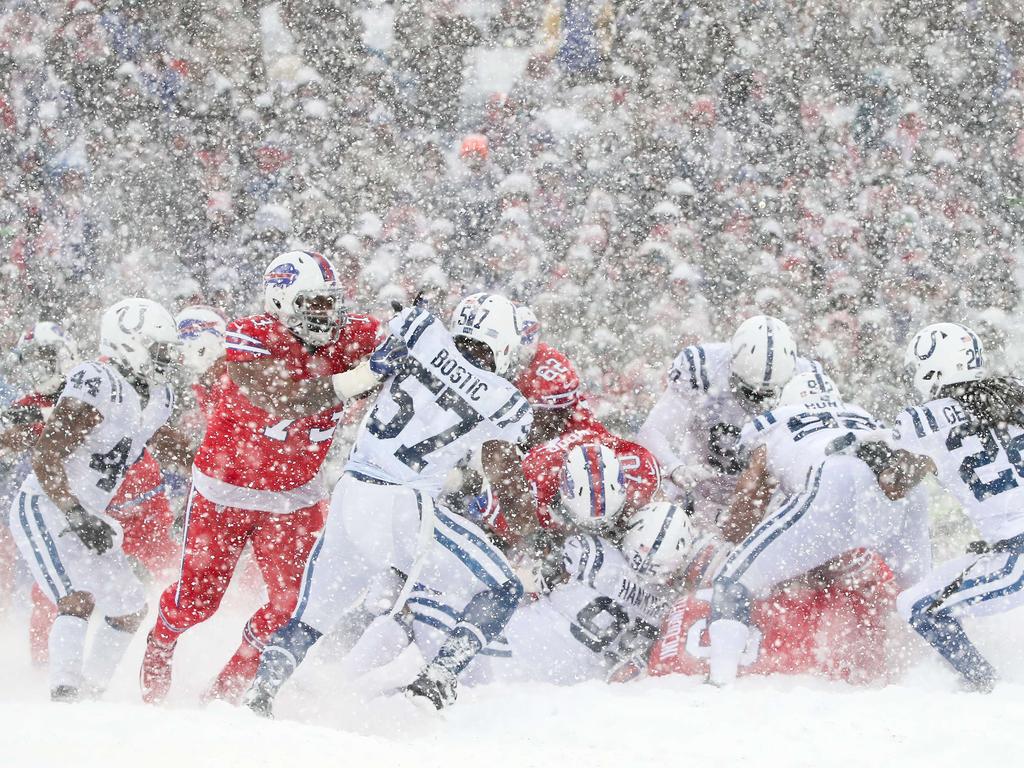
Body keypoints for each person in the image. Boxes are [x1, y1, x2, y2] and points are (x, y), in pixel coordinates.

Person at [244, 292, 535, 714]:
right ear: (505, 341)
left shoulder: (421, 330)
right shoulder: (506, 401)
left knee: (309, 617)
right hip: (404, 503)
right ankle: (438, 679)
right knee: (504, 587)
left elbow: (388, 360)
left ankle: (262, 692)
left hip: (352, 491)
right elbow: (506, 455)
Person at [140, 251, 383, 704]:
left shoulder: (353, 335)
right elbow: (284, 398)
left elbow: (402, 351)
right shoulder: (250, 335)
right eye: (312, 303)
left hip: (296, 496)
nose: (326, 314)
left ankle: (229, 688)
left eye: (329, 302)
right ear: (280, 302)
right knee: (197, 604)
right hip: (226, 491)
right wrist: (362, 376)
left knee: (294, 606)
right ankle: (161, 640)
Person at [6, 299, 187, 701]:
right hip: (45, 506)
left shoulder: (158, 396)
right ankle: (64, 695)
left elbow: (166, 443)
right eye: (159, 349)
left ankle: (92, 692)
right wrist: (75, 513)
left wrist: (214, 470)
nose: (167, 359)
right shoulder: (97, 380)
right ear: (130, 344)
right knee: (76, 597)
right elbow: (47, 456)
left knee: (128, 606)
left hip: (87, 512)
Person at [704, 369, 931, 686]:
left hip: (832, 482)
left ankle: (719, 679)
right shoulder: (859, 413)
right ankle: (941, 666)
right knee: (925, 594)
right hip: (903, 489)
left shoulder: (775, 421)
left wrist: (735, 536)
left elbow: (752, 497)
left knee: (732, 581)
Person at [888, 323, 1024, 691]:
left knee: (919, 607)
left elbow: (893, 481)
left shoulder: (921, 422)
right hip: (1010, 549)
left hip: (1017, 554)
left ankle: (986, 687)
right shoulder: (1014, 393)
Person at [636, 315, 822, 538]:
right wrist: (676, 468)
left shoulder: (806, 380)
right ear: (732, 367)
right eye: (750, 391)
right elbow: (652, 432)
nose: (756, 401)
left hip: (762, 510)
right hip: (697, 500)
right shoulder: (705, 369)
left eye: (767, 394)